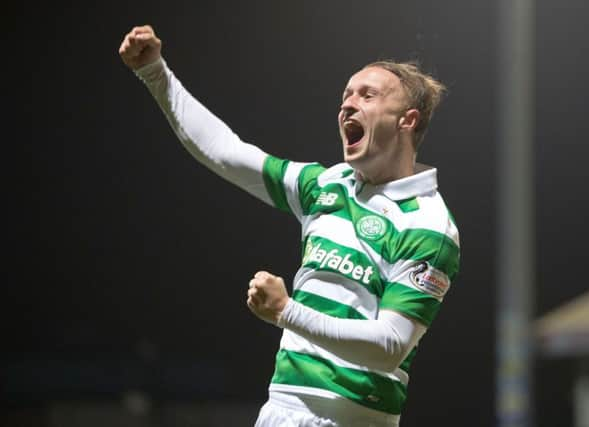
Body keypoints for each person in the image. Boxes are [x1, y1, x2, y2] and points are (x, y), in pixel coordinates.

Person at [119, 25, 460, 427]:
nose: (348, 105)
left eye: (367, 95)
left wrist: (286, 311)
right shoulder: (326, 186)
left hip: (352, 417)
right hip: (280, 406)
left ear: (407, 120)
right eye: (345, 96)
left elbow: (389, 346)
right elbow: (227, 153)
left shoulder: (430, 224)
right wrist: (155, 72)